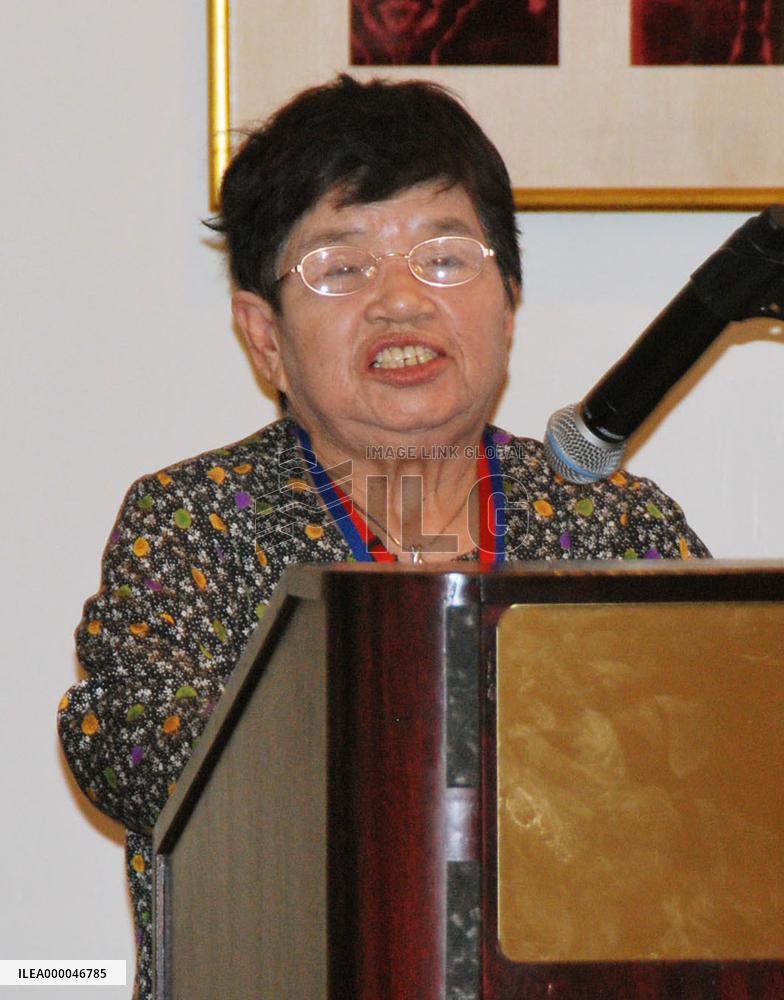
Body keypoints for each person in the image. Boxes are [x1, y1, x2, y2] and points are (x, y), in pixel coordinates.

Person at [57, 74, 709, 999]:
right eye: (342, 267)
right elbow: (142, 756)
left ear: (509, 299)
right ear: (265, 337)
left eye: (446, 258)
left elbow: (719, 782)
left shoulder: (611, 522)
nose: (401, 302)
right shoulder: (195, 523)